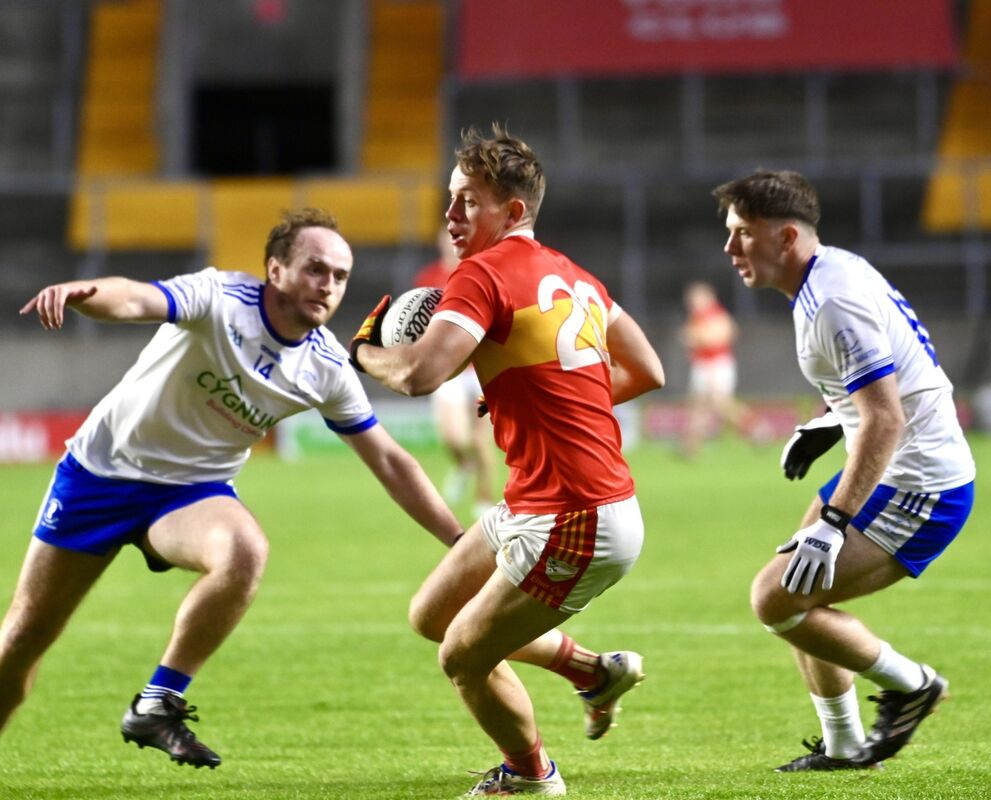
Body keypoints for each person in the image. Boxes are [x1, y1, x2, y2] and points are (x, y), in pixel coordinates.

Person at [1, 209, 465, 769]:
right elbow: (133, 299)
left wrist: (459, 541)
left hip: (189, 494)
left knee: (245, 550)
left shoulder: (325, 367)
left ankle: (158, 701)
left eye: (340, 276)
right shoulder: (221, 297)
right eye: (316, 269)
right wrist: (85, 292)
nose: (329, 285)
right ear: (275, 268)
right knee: (21, 643)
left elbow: (391, 462)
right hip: (99, 475)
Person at [350, 124, 665, 796]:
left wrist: (364, 350)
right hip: (539, 502)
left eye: (468, 200)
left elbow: (419, 376)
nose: (451, 214)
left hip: (577, 516)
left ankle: (530, 776)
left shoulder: (482, 274)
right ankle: (591, 671)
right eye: (451, 198)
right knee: (432, 615)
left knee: (462, 655)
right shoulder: (573, 273)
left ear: (513, 212)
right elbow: (647, 368)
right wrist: (545, 390)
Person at [711, 171, 976, 771]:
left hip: (918, 484)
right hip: (889, 470)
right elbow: (893, 376)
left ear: (784, 238)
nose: (729, 249)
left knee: (774, 600)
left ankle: (914, 685)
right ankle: (846, 746)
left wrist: (834, 520)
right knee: (790, 589)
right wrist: (829, 423)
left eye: (742, 234)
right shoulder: (831, 273)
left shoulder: (831, 302)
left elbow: (886, 418)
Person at [413, 228, 499, 516]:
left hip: (482, 371)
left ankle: (484, 500)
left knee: (480, 439)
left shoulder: (480, 274)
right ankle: (464, 464)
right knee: (452, 438)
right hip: (449, 370)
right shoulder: (428, 278)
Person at [679, 280, 763, 458]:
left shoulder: (715, 314)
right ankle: (690, 448)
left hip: (717, 364)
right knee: (697, 405)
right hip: (702, 364)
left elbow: (721, 336)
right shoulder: (696, 317)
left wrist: (697, 338)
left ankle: (757, 430)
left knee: (721, 403)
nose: (693, 301)